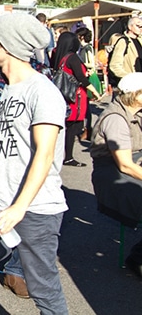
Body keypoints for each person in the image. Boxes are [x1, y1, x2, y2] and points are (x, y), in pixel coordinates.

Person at [0, 13, 69, 315]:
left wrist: (19, 207)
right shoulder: (3, 89)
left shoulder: (43, 92)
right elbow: (7, 144)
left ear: (8, 45)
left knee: (44, 290)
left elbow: (44, 155)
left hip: (34, 209)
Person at [90, 73, 142, 276]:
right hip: (112, 176)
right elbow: (125, 165)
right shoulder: (116, 119)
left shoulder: (133, 113)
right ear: (136, 95)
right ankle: (137, 258)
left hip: (127, 168)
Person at [51, 31, 99, 167]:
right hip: (75, 96)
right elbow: (81, 78)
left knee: (64, 127)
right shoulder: (73, 57)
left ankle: (60, 154)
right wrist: (95, 92)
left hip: (63, 93)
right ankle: (69, 156)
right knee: (72, 128)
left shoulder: (58, 55)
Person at [108, 15, 142, 89]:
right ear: (130, 27)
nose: (141, 28)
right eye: (138, 26)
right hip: (130, 85)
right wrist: (129, 77)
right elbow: (114, 65)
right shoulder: (123, 41)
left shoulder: (140, 40)